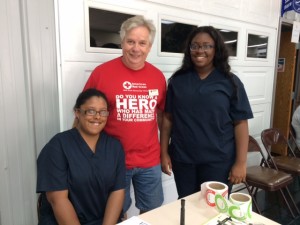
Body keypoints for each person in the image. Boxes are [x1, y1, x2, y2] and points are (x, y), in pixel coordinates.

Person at [83, 16, 166, 215]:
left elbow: (162, 117)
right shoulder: (101, 73)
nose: (136, 48)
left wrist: (165, 152)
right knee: (117, 212)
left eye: (142, 43)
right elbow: (84, 114)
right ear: (122, 42)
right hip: (113, 160)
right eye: (130, 41)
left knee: (152, 212)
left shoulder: (158, 76)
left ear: (149, 46)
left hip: (149, 160)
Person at [160, 26, 253, 199]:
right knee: (187, 206)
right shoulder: (177, 81)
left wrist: (241, 163)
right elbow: (168, 118)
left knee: (214, 209)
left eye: (207, 46)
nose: (200, 50)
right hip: (183, 160)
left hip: (218, 162)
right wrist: (163, 152)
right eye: (194, 46)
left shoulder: (230, 82)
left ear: (216, 49)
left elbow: (241, 123)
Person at [36, 88, 125, 225]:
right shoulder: (57, 146)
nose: (97, 116)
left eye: (103, 112)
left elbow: (117, 191)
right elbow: (57, 200)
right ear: (77, 113)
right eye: (90, 111)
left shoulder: (114, 146)